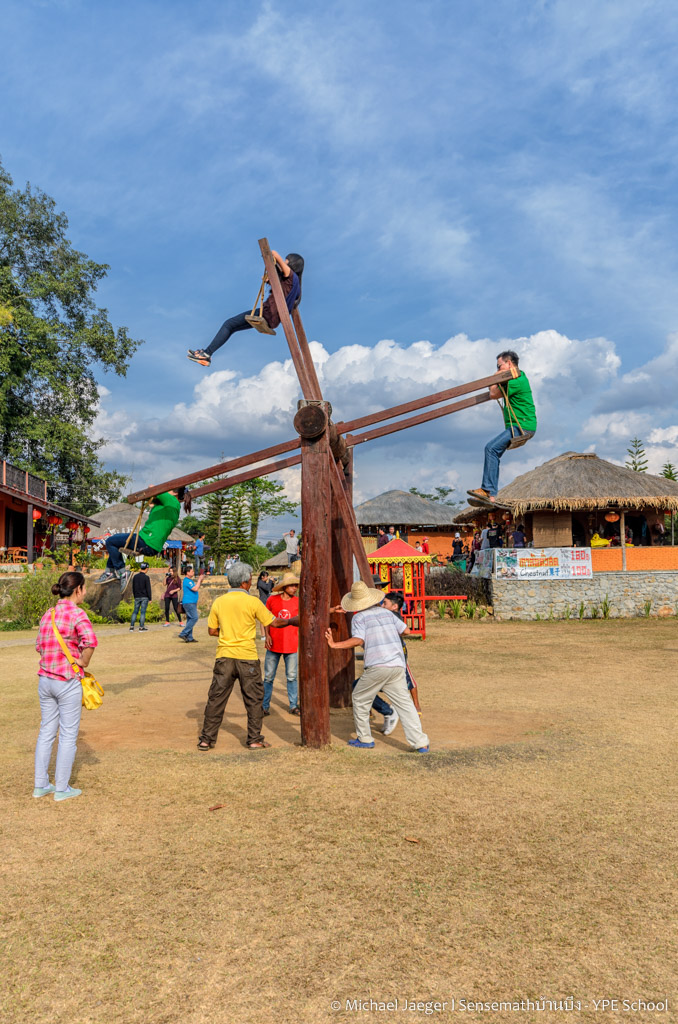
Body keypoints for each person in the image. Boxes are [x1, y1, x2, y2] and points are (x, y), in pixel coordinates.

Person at [197, 562, 299, 751]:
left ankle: (206, 739)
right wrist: (293, 620)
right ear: (244, 582)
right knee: (254, 700)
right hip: (247, 658)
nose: (251, 581)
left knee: (216, 699)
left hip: (224, 657)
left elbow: (212, 631)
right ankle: (254, 739)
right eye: (250, 578)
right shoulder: (252, 602)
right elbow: (274, 622)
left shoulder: (219, 601)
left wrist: (228, 634)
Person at [325, 580, 429, 752]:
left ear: (355, 603)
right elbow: (406, 631)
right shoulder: (387, 613)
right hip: (397, 664)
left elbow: (358, 640)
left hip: (378, 665)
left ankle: (365, 738)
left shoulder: (359, 617)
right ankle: (421, 742)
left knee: (359, 697)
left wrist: (335, 644)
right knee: (404, 704)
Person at [34, 571, 98, 801]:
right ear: (78, 589)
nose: (85, 592)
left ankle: (41, 785)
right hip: (67, 681)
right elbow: (90, 642)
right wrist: (82, 662)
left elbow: (39, 646)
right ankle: (62, 789)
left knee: (46, 732)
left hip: (45, 680)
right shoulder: (77, 614)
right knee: (68, 735)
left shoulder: (48, 614)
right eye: (84, 588)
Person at [188, 251, 304, 367]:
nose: (284, 262)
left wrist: (271, 258)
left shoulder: (291, 276)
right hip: (273, 319)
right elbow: (284, 294)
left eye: (286, 260)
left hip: (267, 313)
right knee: (232, 328)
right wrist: (270, 279)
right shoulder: (296, 286)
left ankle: (206, 354)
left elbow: (274, 253)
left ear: (291, 263)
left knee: (228, 324)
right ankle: (206, 354)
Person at [467, 351, 537, 504]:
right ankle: (491, 496)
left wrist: (495, 377)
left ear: (509, 363)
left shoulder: (517, 380)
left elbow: (493, 394)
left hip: (522, 426)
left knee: (490, 448)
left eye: (499, 366)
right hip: (520, 426)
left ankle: (488, 490)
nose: (498, 369)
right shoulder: (515, 379)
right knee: (494, 451)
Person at [94, 487, 192, 590]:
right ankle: (109, 572)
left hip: (146, 541)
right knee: (116, 543)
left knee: (110, 541)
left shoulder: (171, 500)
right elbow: (153, 503)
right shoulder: (172, 507)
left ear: (174, 493)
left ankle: (122, 573)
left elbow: (152, 488)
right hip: (151, 545)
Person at [263, 572, 300, 716]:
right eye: (292, 585)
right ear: (284, 587)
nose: (294, 588)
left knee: (292, 677)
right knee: (268, 677)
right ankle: (264, 706)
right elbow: (265, 619)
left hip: (291, 644)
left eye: (296, 585)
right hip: (273, 643)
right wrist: (267, 635)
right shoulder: (272, 600)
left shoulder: (298, 601)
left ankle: (293, 705)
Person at [178, 565, 205, 643]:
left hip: (191, 602)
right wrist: (199, 580)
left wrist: (200, 580)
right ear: (187, 572)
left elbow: (196, 586)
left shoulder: (189, 581)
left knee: (190, 619)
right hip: (189, 602)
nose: (193, 572)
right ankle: (183, 633)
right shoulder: (187, 581)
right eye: (192, 571)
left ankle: (189, 637)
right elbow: (195, 588)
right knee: (194, 618)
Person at [130, 562, 152, 631]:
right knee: (142, 612)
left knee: (135, 611)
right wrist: (150, 598)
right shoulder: (146, 577)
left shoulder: (135, 577)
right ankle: (141, 627)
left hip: (137, 596)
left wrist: (135, 596)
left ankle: (131, 627)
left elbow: (133, 587)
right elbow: (148, 588)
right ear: (146, 568)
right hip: (144, 597)